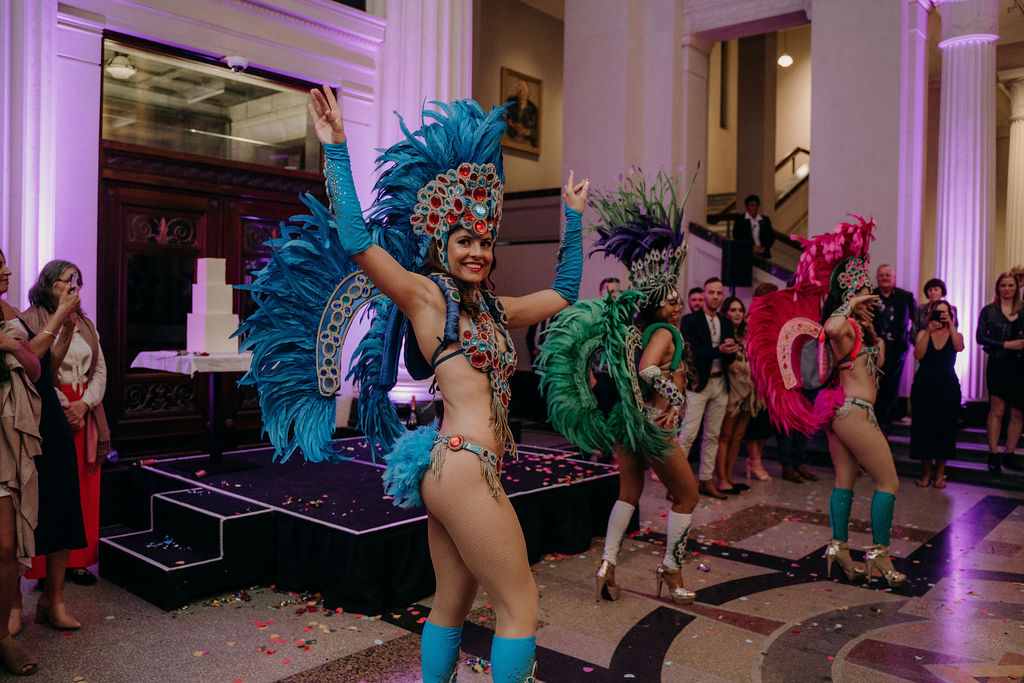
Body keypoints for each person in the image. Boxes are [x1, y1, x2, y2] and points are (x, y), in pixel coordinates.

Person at [241, 88, 587, 682]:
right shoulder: (427, 297)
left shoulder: (495, 310)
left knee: (451, 602)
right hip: (463, 467)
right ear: (440, 243)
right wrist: (336, 149)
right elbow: (357, 241)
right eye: (464, 240)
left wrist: (573, 218)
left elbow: (565, 292)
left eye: (485, 241)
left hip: (457, 465)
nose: (477, 252)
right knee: (520, 605)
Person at [544, 168, 700, 605]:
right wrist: (676, 400)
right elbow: (650, 372)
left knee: (628, 494)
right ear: (656, 307)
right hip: (653, 426)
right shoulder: (664, 333)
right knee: (688, 495)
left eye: (677, 299)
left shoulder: (641, 332)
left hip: (630, 422)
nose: (677, 305)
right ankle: (671, 568)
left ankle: (607, 564)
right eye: (670, 300)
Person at [748, 217, 906, 589]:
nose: (872, 301)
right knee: (889, 482)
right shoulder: (844, 326)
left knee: (845, 481)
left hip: (845, 412)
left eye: (871, 296)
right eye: (866, 294)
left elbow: (876, 365)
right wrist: (851, 304)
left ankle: (839, 548)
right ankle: (879, 554)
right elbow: (831, 328)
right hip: (853, 412)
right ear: (852, 295)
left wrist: (872, 334)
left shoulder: (863, 330)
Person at [10, 265, 87, 635]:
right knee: (19, 509)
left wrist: (69, 328)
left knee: (63, 500)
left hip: (50, 414)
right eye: (66, 280)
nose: (8, 270)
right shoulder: (21, 317)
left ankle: (53, 600)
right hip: (20, 415)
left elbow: (47, 368)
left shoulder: (12, 312)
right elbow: (26, 363)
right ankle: (13, 602)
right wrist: (60, 317)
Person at [23, 261, 110, 586]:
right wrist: (63, 405)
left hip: (84, 408)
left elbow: (99, 369)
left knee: (83, 489)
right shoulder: (31, 321)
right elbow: (38, 370)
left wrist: (84, 404)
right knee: (50, 490)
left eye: (77, 281)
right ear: (48, 283)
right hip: (49, 407)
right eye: (67, 280)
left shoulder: (85, 323)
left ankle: (78, 562)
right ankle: (42, 569)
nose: (74, 287)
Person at [0, 249, 44, 675]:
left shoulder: (10, 314)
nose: (7, 270)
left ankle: (1, 635)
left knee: (5, 546)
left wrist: (13, 347)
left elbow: (34, 370)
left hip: (4, 441)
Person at [679, 278, 737, 499]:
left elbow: (728, 357)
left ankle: (706, 480)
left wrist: (731, 351)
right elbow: (689, 354)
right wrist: (718, 351)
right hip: (698, 385)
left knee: (713, 435)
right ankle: (677, 484)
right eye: (711, 292)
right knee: (688, 435)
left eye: (719, 293)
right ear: (703, 295)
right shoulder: (690, 320)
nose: (715, 296)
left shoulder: (726, 322)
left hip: (720, 383)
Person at [910, 300, 963, 488]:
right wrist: (928, 331)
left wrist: (951, 325)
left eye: (944, 313)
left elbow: (959, 347)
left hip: (947, 386)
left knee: (945, 430)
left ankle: (940, 476)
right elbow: (918, 355)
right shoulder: (923, 333)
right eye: (937, 313)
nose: (940, 317)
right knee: (923, 429)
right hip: (924, 385)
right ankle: (926, 475)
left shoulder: (955, 334)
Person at [977, 272, 1024, 473]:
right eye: (1003, 285)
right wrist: (1005, 344)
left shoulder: (1023, 310)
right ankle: (994, 453)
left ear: (1016, 288)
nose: (1007, 289)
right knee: (997, 410)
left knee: (1018, 412)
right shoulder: (989, 311)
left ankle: (1010, 454)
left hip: (1020, 365)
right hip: (998, 363)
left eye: (1011, 285)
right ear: (998, 288)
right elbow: (980, 337)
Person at [714, 297, 762, 491]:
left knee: (738, 436)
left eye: (740, 310)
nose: (737, 313)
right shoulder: (723, 332)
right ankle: (721, 478)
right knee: (725, 435)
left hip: (749, 391)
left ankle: (730, 476)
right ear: (725, 312)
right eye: (733, 310)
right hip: (731, 389)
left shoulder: (747, 334)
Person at [872, 264, 915, 427]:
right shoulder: (870, 296)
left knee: (892, 384)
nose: (884, 278)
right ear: (877, 278)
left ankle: (886, 421)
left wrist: (911, 339)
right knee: (874, 383)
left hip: (897, 348)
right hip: (874, 347)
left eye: (887, 275)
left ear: (894, 278)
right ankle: (874, 419)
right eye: (881, 275)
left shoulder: (906, 297)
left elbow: (916, 319)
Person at [733, 195, 776, 260]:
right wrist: (752, 247)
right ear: (747, 207)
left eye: (756, 205)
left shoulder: (765, 220)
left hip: (763, 253)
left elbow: (771, 236)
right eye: (752, 205)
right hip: (746, 254)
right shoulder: (740, 220)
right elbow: (737, 236)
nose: (754, 207)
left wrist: (764, 248)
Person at [505, 79, 539, 148]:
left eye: (524, 90)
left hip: (526, 141)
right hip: (511, 137)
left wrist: (527, 131)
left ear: (528, 93)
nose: (522, 93)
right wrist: (513, 125)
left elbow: (536, 132)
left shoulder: (534, 109)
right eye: (519, 90)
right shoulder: (510, 102)